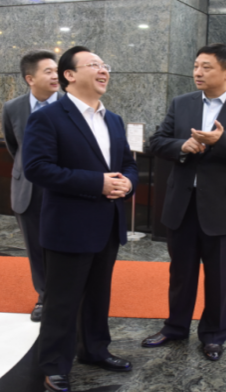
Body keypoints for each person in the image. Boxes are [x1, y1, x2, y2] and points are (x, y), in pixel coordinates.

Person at [143, 43, 226, 361]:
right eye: (196, 66)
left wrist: (222, 141)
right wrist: (182, 146)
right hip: (182, 205)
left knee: (218, 277)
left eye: (206, 67)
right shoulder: (182, 102)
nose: (197, 72)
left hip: (225, 209)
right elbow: (156, 142)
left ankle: (214, 335)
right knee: (181, 274)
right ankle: (175, 327)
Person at [22, 46, 138, 392]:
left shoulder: (113, 119)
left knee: (98, 296)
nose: (103, 71)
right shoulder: (49, 117)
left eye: (105, 65)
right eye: (93, 65)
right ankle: (55, 365)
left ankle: (94, 350)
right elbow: (37, 168)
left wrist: (128, 183)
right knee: (62, 301)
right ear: (69, 75)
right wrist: (96, 183)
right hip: (69, 226)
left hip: (107, 224)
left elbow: (127, 162)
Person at [1, 50, 60, 322]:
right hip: (28, 189)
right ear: (30, 78)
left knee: (63, 246)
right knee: (35, 248)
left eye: (56, 70)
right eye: (48, 71)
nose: (55, 75)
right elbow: (15, 147)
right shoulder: (12, 108)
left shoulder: (71, 105)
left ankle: (67, 295)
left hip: (64, 187)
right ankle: (44, 297)